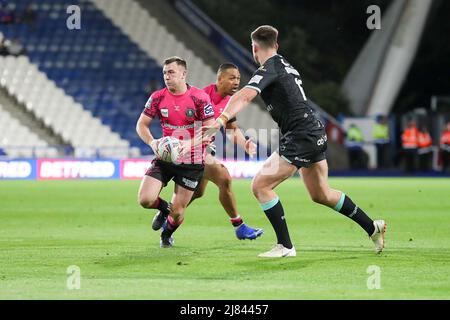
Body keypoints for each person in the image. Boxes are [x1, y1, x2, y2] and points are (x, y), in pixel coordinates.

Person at [202, 25, 386, 257]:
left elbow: (245, 95)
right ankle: (373, 227)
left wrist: (220, 120)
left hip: (301, 135)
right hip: (313, 132)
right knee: (321, 194)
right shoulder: (286, 66)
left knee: (260, 185)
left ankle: (285, 246)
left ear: (254, 47)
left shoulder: (270, 67)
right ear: (276, 45)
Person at [151, 63, 263, 240]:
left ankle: (167, 217)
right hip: (191, 150)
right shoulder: (202, 96)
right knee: (224, 177)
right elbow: (197, 127)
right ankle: (239, 225)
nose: (236, 82)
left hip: (203, 150)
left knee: (197, 193)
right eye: (232, 78)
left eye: (239, 79)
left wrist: (245, 144)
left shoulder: (229, 103)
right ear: (219, 79)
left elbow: (231, 129)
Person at [136, 56, 215, 248]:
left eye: (171, 72)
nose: (166, 76)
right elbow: (141, 125)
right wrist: (152, 142)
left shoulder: (199, 97)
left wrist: (188, 145)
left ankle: (166, 235)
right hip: (165, 157)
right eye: (164, 72)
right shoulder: (157, 97)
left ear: (183, 74)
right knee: (145, 200)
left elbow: (211, 130)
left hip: (192, 161)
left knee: (178, 213)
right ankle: (164, 209)